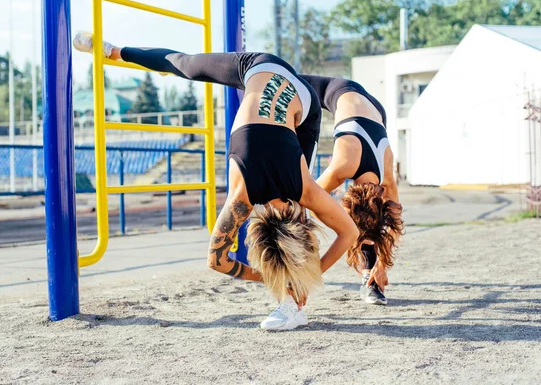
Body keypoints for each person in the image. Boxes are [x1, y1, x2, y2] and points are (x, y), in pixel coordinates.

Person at [73, 32, 359, 330]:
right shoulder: (245, 196)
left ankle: (114, 51)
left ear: (296, 217)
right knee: (186, 65)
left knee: (183, 63)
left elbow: (347, 233)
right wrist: (272, 276)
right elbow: (216, 260)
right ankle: (292, 294)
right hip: (303, 100)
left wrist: (306, 275)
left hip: (268, 73)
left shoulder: (303, 190)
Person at [301, 75, 404, 306]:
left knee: (369, 228)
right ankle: (369, 274)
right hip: (338, 89)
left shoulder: (385, 175)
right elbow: (308, 197)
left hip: (375, 110)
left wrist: (383, 265)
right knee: (279, 79)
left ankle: (371, 277)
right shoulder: (343, 166)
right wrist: (344, 228)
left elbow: (394, 223)